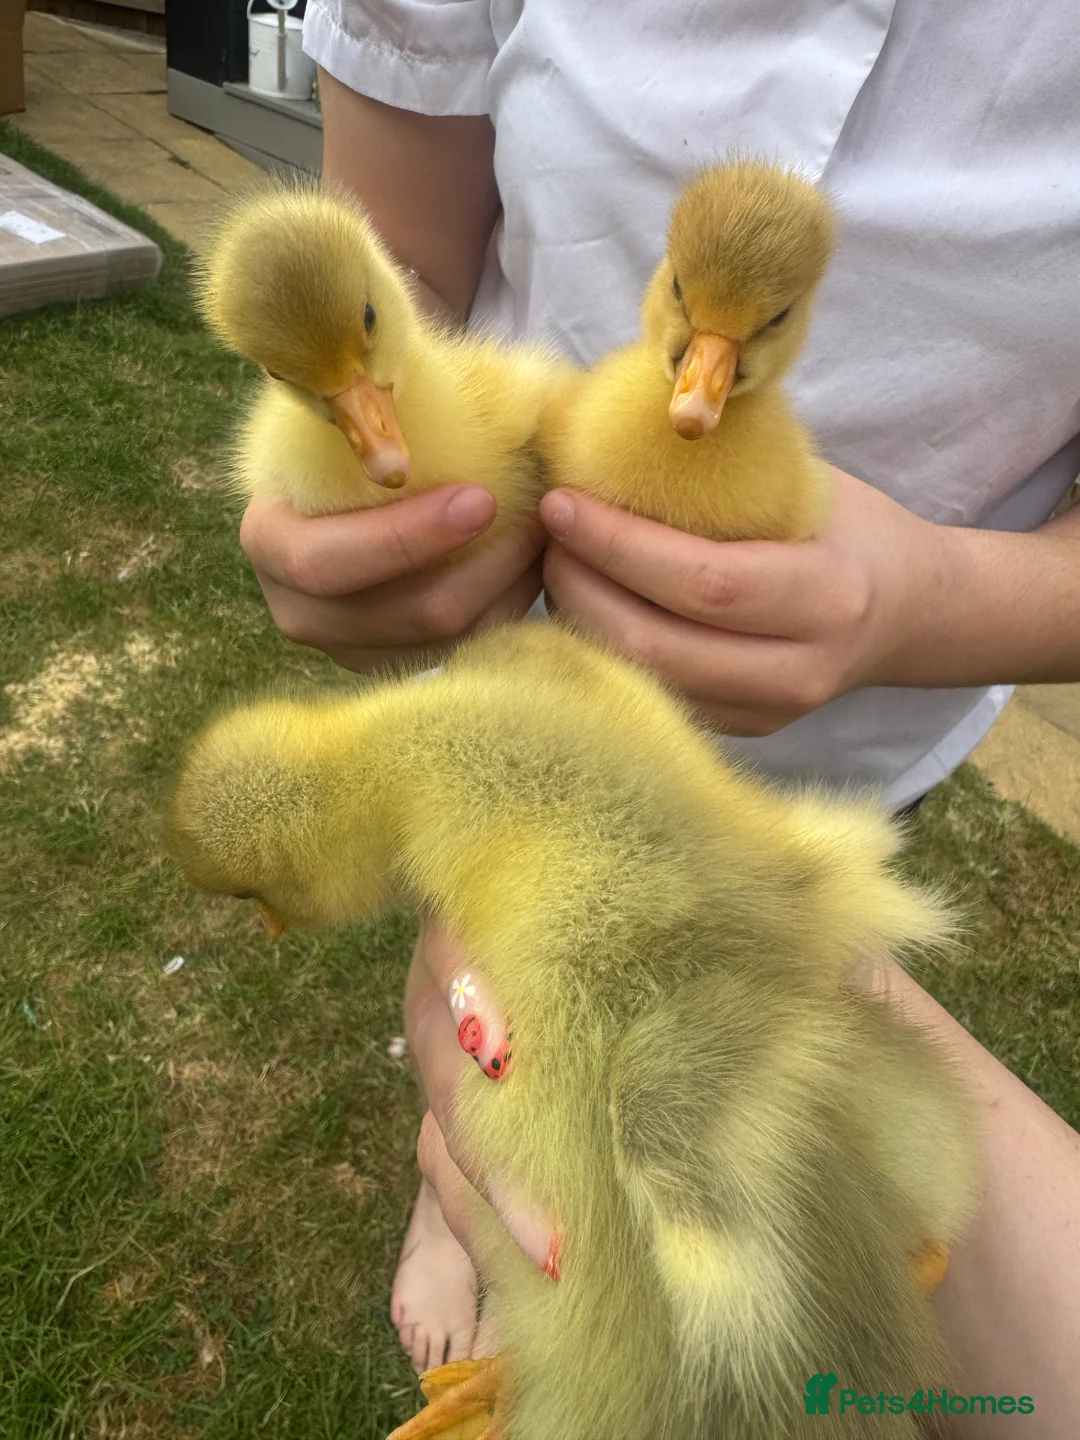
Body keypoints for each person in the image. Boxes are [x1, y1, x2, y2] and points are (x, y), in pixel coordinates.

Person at [236, 2, 1080, 1431]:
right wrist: (378, 490)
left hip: (851, 752)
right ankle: (454, 1195)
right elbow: (392, 277)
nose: (699, 383)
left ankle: (559, 1243)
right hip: (524, 686)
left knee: (688, 1098)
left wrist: (931, 600)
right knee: (484, 975)